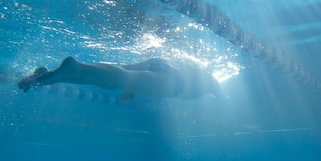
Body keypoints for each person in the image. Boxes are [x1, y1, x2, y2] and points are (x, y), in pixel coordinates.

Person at [18, 56, 224, 100]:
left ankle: (44, 78)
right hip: (176, 83)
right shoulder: (212, 80)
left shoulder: (202, 73)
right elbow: (225, 99)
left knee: (114, 80)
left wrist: (132, 90)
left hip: (165, 69)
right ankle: (74, 69)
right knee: (121, 79)